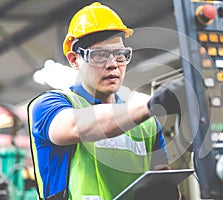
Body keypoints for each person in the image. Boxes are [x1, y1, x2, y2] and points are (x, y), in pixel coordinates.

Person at [27, 2, 184, 200]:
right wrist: (150, 106)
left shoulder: (148, 122)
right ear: (74, 59)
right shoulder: (49, 105)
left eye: (120, 55)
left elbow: (164, 180)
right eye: (100, 56)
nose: (112, 65)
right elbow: (77, 126)